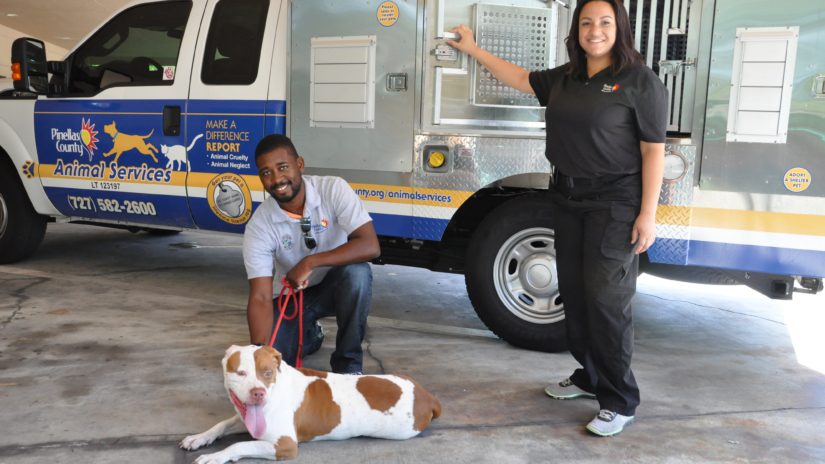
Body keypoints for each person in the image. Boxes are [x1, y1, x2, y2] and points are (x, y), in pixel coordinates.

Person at [449, 0, 666, 436]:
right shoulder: (565, 77)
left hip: (615, 202)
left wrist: (647, 214)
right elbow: (518, 77)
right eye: (587, 22)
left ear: (619, 28)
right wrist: (473, 50)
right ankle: (589, 376)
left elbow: (652, 150)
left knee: (606, 303)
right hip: (566, 198)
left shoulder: (639, 82)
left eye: (605, 22)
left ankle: (619, 400)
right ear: (576, 30)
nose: (595, 30)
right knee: (576, 296)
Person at [243, 134, 380, 375]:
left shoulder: (333, 189)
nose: (276, 179)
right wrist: (260, 352)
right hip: (292, 299)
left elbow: (370, 245)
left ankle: (348, 367)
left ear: (300, 165)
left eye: (283, 167)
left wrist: (311, 262)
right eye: (266, 173)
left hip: (335, 286)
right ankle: (310, 333)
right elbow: (260, 298)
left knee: (358, 274)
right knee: (276, 363)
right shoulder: (260, 224)